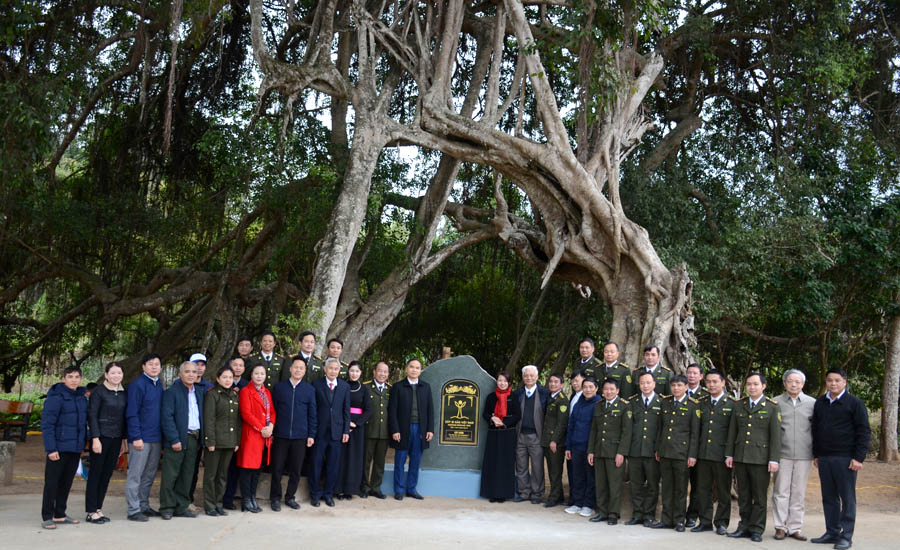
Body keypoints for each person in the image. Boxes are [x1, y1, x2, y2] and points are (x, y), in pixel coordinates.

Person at [810, 367, 871, 550]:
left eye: (837, 380)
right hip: (825, 458)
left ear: (845, 382)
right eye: (830, 380)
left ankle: (846, 535)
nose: (833, 384)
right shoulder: (820, 403)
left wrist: (858, 457)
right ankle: (832, 532)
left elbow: (863, 431)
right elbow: (816, 429)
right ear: (826, 382)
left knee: (847, 498)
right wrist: (816, 454)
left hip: (846, 459)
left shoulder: (854, 403)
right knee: (829, 497)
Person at [726, 372, 781, 542]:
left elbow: (775, 436)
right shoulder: (739, 405)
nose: (752, 387)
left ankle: (757, 529)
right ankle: (744, 526)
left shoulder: (772, 407)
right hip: (741, 457)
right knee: (743, 495)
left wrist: (774, 459)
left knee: (759, 496)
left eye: (756, 384)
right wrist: (730, 454)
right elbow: (732, 432)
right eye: (749, 384)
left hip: (760, 458)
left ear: (763, 386)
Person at [40, 366, 88, 529]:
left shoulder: (82, 398)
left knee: (66, 482)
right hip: (58, 448)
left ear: (80, 379)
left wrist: (82, 444)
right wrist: (51, 448)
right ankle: (47, 516)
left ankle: (60, 514)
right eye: (70, 376)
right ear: (63, 378)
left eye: (76, 377)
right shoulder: (56, 397)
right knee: (52, 483)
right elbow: (47, 424)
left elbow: (82, 424)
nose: (73, 379)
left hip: (74, 448)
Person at [652, 373, 699, 532]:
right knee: (666, 488)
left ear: (686, 387)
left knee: (680, 489)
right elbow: (659, 428)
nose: (676, 388)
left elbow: (694, 433)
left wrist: (692, 455)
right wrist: (658, 448)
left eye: (679, 385)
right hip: (665, 452)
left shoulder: (693, 405)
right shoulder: (665, 402)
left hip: (682, 454)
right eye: (673, 385)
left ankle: (679, 520)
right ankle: (666, 519)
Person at [772, 368, 815, 540]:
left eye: (797, 381)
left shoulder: (812, 403)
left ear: (803, 384)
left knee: (798, 492)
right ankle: (780, 527)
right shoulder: (775, 402)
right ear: (784, 383)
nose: (794, 384)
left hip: (804, 454)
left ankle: (795, 527)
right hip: (782, 453)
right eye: (790, 381)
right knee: (780, 491)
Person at [692, 368, 736, 535]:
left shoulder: (732, 404)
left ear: (723, 383)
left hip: (722, 455)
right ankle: (704, 521)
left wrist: (730, 454)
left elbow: (733, 432)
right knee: (703, 489)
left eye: (715, 381)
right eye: (708, 382)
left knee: (723, 490)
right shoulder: (701, 403)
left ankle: (722, 522)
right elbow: (696, 432)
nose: (711, 385)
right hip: (703, 454)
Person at [269, 356, 317, 511]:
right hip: (281, 435)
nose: (298, 370)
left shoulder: (309, 390)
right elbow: (272, 411)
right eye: (295, 367)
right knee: (277, 468)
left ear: (305, 371)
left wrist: (311, 434)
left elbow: (312, 414)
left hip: (300, 436)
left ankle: (290, 497)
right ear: (290, 369)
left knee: (296, 470)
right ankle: (275, 498)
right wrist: (272, 431)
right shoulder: (279, 388)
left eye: (301, 368)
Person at [159, 361, 203, 520]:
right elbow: (166, 417)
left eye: (194, 372)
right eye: (187, 371)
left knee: (187, 474)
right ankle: (167, 507)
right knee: (171, 475)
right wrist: (174, 439)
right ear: (180, 374)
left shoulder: (198, 392)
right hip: (177, 438)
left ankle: (181, 505)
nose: (191, 374)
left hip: (194, 438)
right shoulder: (172, 392)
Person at [85, 361, 127, 524]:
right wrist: (95, 438)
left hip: (116, 438)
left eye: (119, 373)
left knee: (107, 474)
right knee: (96, 473)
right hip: (101, 438)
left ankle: (98, 508)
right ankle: (90, 511)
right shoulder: (99, 392)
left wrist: (124, 439)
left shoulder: (124, 393)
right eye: (113, 373)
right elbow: (92, 416)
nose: (116, 376)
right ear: (106, 375)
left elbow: (124, 418)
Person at [125, 353, 164, 521]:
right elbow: (132, 413)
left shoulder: (159, 385)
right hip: (141, 438)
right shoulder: (137, 385)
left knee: (149, 474)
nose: (154, 366)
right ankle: (133, 509)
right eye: (150, 364)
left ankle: (143, 505)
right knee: (135, 474)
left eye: (157, 364)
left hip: (156, 437)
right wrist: (136, 437)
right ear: (143, 367)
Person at [587, 378, 632, 525]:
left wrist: (621, 453)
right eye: (606, 389)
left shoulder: (624, 406)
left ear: (618, 391)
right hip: (600, 450)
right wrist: (591, 451)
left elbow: (627, 432)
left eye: (612, 389)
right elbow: (594, 430)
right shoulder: (598, 405)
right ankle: (602, 512)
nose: (608, 392)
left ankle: (613, 513)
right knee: (601, 484)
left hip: (615, 452)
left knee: (614, 485)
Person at [388, 358, 434, 500]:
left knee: (415, 461)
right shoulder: (398, 387)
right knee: (400, 460)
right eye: (412, 367)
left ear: (420, 370)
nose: (414, 370)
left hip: (420, 429)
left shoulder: (425, 387)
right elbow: (392, 410)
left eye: (417, 368)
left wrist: (430, 429)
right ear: (406, 369)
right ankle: (399, 490)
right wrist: (395, 430)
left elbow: (430, 410)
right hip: (403, 429)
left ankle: (412, 489)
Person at [309, 358, 350, 506]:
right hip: (319, 431)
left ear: (339, 371)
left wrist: (346, 430)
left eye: (336, 369)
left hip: (337, 432)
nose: (333, 371)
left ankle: (328, 494)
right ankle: (315, 494)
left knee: (333, 465)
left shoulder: (344, 387)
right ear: (325, 369)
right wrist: (311, 432)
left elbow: (346, 411)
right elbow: (313, 409)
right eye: (330, 368)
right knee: (315, 464)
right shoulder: (316, 384)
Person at [202, 365, 241, 516]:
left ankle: (218, 503)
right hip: (215, 442)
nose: (227, 380)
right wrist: (210, 441)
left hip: (230, 442)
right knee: (211, 475)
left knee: (222, 475)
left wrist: (236, 441)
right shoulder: (212, 395)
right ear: (218, 379)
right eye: (224, 377)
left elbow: (237, 421)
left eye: (230, 377)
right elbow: (209, 420)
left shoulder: (234, 395)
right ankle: (209, 505)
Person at [237, 364, 276, 513]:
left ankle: (252, 497)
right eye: (256, 373)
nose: (259, 376)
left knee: (257, 469)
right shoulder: (246, 391)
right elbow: (246, 414)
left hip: (264, 435)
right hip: (252, 434)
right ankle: (246, 499)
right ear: (251, 375)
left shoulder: (266, 392)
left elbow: (272, 411)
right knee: (247, 469)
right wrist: (262, 428)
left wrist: (271, 426)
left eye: (262, 373)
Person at [626, 370, 663, 527]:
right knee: (636, 485)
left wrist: (659, 449)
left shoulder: (662, 402)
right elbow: (628, 428)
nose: (645, 386)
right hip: (635, 451)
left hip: (652, 452)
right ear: (638, 385)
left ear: (654, 384)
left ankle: (649, 515)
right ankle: (637, 514)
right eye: (642, 383)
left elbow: (663, 428)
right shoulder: (632, 402)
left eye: (648, 383)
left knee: (653, 486)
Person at [480, 372, 522, 502]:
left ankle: (503, 494)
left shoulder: (514, 397)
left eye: (505, 381)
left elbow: (517, 415)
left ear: (509, 383)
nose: (502, 383)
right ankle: (491, 493)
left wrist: (504, 423)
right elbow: (485, 413)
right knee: (492, 462)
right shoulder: (491, 397)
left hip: (508, 433)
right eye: (500, 380)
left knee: (505, 463)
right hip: (493, 433)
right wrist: (492, 418)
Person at [513, 364, 550, 503]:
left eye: (531, 375)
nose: (529, 378)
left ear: (537, 377)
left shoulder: (544, 393)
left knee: (537, 467)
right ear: (523, 377)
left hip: (536, 436)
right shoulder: (518, 393)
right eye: (526, 375)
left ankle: (537, 493)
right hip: (520, 435)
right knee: (521, 466)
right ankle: (524, 492)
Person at [565, 376, 601, 517]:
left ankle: (588, 505)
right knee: (577, 476)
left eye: (591, 387)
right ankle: (578, 503)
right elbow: (571, 425)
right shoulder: (579, 402)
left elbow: (596, 429)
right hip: (576, 446)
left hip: (589, 447)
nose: (587, 390)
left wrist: (592, 449)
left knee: (590, 477)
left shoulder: (598, 403)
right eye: (585, 387)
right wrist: (568, 446)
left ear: (596, 388)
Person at [336, 361, 371, 499]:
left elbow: (368, 410)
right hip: (341, 425)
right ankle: (338, 488)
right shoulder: (341, 386)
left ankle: (350, 489)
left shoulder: (364, 389)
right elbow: (337, 406)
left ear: (360, 373)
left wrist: (355, 424)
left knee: (354, 458)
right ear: (347, 371)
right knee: (341, 457)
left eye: (357, 371)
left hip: (357, 428)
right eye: (352, 371)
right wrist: (346, 423)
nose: (354, 373)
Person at [362, 361, 391, 499]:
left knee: (380, 462)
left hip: (384, 432)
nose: (382, 374)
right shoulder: (366, 387)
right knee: (365, 461)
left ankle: (376, 487)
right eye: (380, 371)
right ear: (374, 372)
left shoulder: (390, 390)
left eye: (385, 372)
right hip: (369, 430)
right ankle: (364, 487)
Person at [222, 355, 248, 510]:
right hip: (224, 431)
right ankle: (218, 498)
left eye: (241, 365)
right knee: (222, 468)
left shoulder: (247, 385)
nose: (238, 367)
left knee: (234, 468)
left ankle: (229, 498)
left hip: (241, 431)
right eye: (235, 365)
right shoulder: (222, 384)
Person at [683, 362, 707, 527]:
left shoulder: (705, 395)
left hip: (699, 447)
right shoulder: (678, 393)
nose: (691, 376)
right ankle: (677, 514)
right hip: (680, 447)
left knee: (697, 484)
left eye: (695, 373)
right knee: (679, 483)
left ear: (701, 376)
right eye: (689, 373)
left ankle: (692, 515)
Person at [187, 352, 212, 509]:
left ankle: (189, 498)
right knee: (184, 469)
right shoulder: (180, 385)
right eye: (196, 364)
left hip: (203, 434)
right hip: (187, 434)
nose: (199, 368)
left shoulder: (209, 387)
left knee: (195, 468)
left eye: (202, 365)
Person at [541, 373, 569, 507]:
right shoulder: (550, 397)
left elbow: (562, 423)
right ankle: (559, 495)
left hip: (555, 442)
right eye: (551, 381)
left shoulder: (562, 400)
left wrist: (554, 441)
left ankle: (554, 497)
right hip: (546, 439)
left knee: (555, 471)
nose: (552, 384)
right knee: (552, 469)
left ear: (562, 384)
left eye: (556, 382)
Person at [565, 370, 585, 506]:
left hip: (582, 442)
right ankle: (573, 498)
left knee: (580, 473)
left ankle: (581, 500)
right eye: (573, 381)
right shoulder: (573, 396)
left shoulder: (586, 397)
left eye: (577, 380)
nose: (575, 383)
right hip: (572, 439)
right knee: (572, 471)